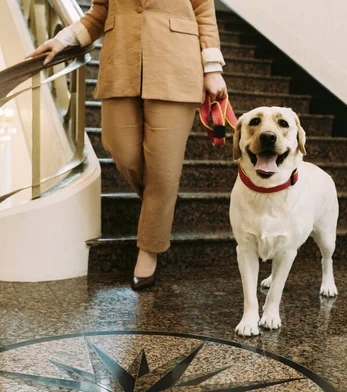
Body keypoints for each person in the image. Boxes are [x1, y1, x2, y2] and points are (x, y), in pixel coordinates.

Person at [29, 0, 227, 290]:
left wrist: (212, 68)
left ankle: (149, 248)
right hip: (121, 62)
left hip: (177, 65)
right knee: (118, 146)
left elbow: (203, 12)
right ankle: (161, 203)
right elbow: (100, 11)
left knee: (162, 168)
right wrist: (65, 38)